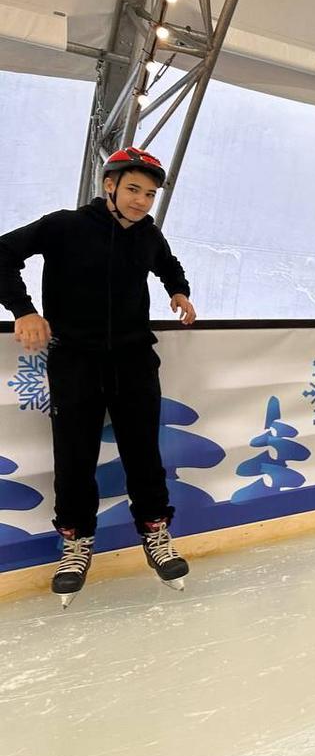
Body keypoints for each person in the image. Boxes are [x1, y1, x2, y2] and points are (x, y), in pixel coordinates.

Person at [0, 147, 196, 607]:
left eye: (149, 194)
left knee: (144, 452)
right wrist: (24, 311)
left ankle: (155, 534)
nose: (141, 201)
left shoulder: (148, 235)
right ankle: (76, 543)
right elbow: (1, 254)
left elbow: (168, 264)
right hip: (75, 359)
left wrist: (179, 291)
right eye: (133, 189)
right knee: (74, 455)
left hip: (134, 359)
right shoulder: (64, 225)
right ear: (109, 185)